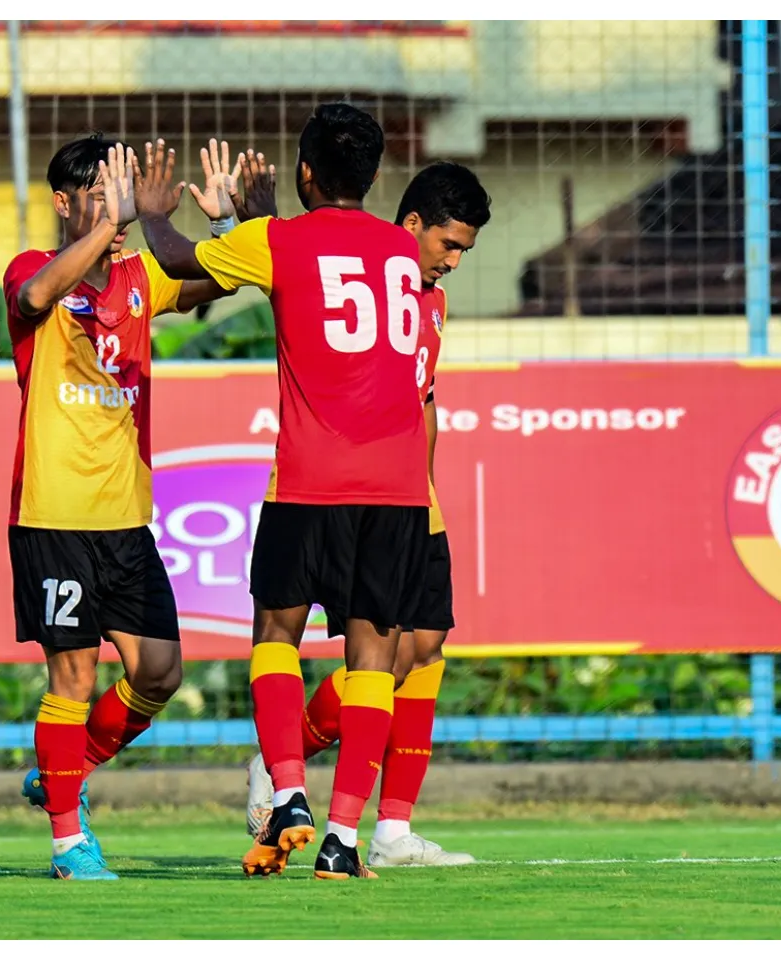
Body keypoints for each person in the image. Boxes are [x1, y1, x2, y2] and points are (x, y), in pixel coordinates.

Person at [137, 103, 432, 880]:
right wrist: (258, 219)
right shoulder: (402, 250)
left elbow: (176, 262)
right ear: (371, 178)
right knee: (373, 656)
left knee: (275, 632)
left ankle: (290, 792)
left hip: (312, 480)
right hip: (400, 485)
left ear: (305, 172)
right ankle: (343, 840)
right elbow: (306, 269)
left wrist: (151, 215)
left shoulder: (278, 240)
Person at [244, 162, 493, 868]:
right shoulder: (355, 274)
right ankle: (283, 758)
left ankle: (391, 829)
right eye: (448, 245)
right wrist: (256, 220)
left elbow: (426, 402)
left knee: (427, 644)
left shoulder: (430, 301)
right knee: (383, 650)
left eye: (462, 253)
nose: (451, 263)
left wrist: (428, 498)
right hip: (336, 487)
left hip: (409, 497)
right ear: (410, 224)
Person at [4, 135, 239, 880]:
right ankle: (70, 842)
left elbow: (216, 283)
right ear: (65, 204)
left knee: (160, 672)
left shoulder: (139, 277)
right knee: (71, 678)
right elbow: (32, 299)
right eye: (103, 195)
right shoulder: (33, 270)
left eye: (123, 193)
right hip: (53, 513)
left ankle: (63, 774)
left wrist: (225, 226)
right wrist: (111, 225)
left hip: (124, 516)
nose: (119, 209)